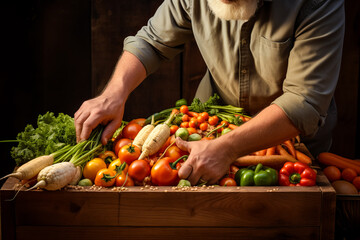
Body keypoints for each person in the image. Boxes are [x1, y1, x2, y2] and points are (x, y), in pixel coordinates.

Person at [74, 0, 345, 185]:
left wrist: (227, 148)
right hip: (208, 137)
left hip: (292, 151)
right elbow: (151, 42)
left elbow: (304, 101)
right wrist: (113, 93)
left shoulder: (317, 3)